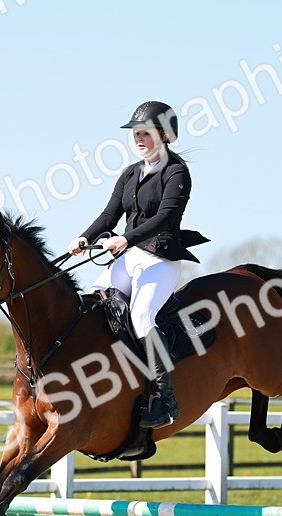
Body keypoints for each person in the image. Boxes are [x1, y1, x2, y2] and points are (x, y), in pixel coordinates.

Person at [68, 100, 208, 429]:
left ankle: (166, 399)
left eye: (144, 132)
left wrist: (126, 239)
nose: (138, 138)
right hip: (129, 258)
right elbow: (109, 215)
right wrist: (84, 238)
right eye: (136, 133)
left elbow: (165, 217)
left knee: (141, 314)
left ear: (164, 134)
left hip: (160, 259)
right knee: (91, 303)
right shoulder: (130, 173)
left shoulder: (176, 172)